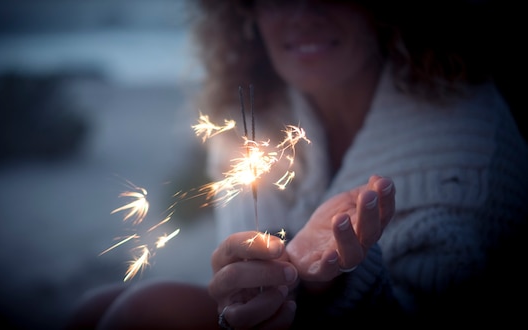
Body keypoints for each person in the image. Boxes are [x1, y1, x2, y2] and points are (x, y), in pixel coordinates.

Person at [66, 0, 528, 328]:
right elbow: (241, 294)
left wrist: (332, 284)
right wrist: (251, 290)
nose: (303, 13)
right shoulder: (249, 115)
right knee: (94, 307)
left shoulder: (461, 136)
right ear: (245, 10)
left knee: (145, 309)